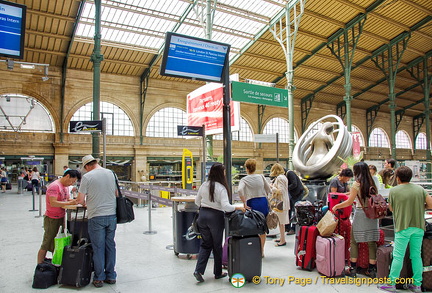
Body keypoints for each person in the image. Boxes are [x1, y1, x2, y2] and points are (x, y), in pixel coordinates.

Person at [378, 166, 432, 293]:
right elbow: (430, 204)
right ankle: (417, 284)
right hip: (418, 227)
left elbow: (391, 209)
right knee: (416, 255)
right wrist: (420, 207)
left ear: (397, 178)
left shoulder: (394, 191)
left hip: (403, 227)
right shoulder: (420, 189)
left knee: (398, 256)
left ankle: (391, 283)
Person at [193, 163, 245, 283]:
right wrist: (238, 207)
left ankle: (198, 271)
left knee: (206, 244)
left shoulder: (204, 185)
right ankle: (218, 272)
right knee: (217, 246)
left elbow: (197, 202)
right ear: (221, 173)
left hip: (202, 216)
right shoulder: (221, 188)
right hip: (215, 218)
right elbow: (226, 207)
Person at [332, 162, 380, 278]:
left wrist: (336, 206)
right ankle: (372, 270)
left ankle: (352, 269)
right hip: (372, 214)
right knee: (371, 241)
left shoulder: (357, 183)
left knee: (354, 241)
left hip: (360, 213)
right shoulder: (372, 182)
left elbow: (349, 201)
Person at [77, 155, 117, 288]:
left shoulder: (87, 177)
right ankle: (111, 275)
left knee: (98, 247)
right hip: (112, 215)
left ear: (87, 166)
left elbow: (80, 200)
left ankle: (99, 278)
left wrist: (88, 201)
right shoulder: (111, 173)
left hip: (96, 216)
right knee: (110, 245)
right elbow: (116, 193)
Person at [37, 170, 80, 264]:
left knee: (57, 242)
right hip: (52, 218)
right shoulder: (55, 186)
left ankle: (55, 263)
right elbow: (53, 203)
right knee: (47, 242)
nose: (72, 183)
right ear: (67, 176)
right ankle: (39, 265)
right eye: (72, 181)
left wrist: (75, 200)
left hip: (61, 217)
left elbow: (66, 199)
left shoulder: (65, 187)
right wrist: (69, 202)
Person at [238, 158, 271, 256]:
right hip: (262, 202)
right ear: (255, 167)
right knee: (262, 228)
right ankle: (261, 251)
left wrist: (244, 202)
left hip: (252, 203)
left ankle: (253, 250)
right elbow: (269, 190)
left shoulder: (244, 179)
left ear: (246, 168)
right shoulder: (261, 177)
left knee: (252, 226)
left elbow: (240, 190)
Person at [269, 163, 289, 246]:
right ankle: (281, 238)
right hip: (284, 202)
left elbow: (280, 191)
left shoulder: (280, 178)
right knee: (281, 222)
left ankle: (282, 240)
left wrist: (272, 187)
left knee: (281, 222)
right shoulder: (283, 177)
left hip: (281, 203)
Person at [285, 169, 304, 235]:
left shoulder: (290, 173)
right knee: (289, 210)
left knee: (294, 211)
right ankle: (287, 227)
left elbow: (294, 184)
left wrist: (285, 188)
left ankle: (293, 228)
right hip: (293, 194)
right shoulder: (287, 174)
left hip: (297, 194)